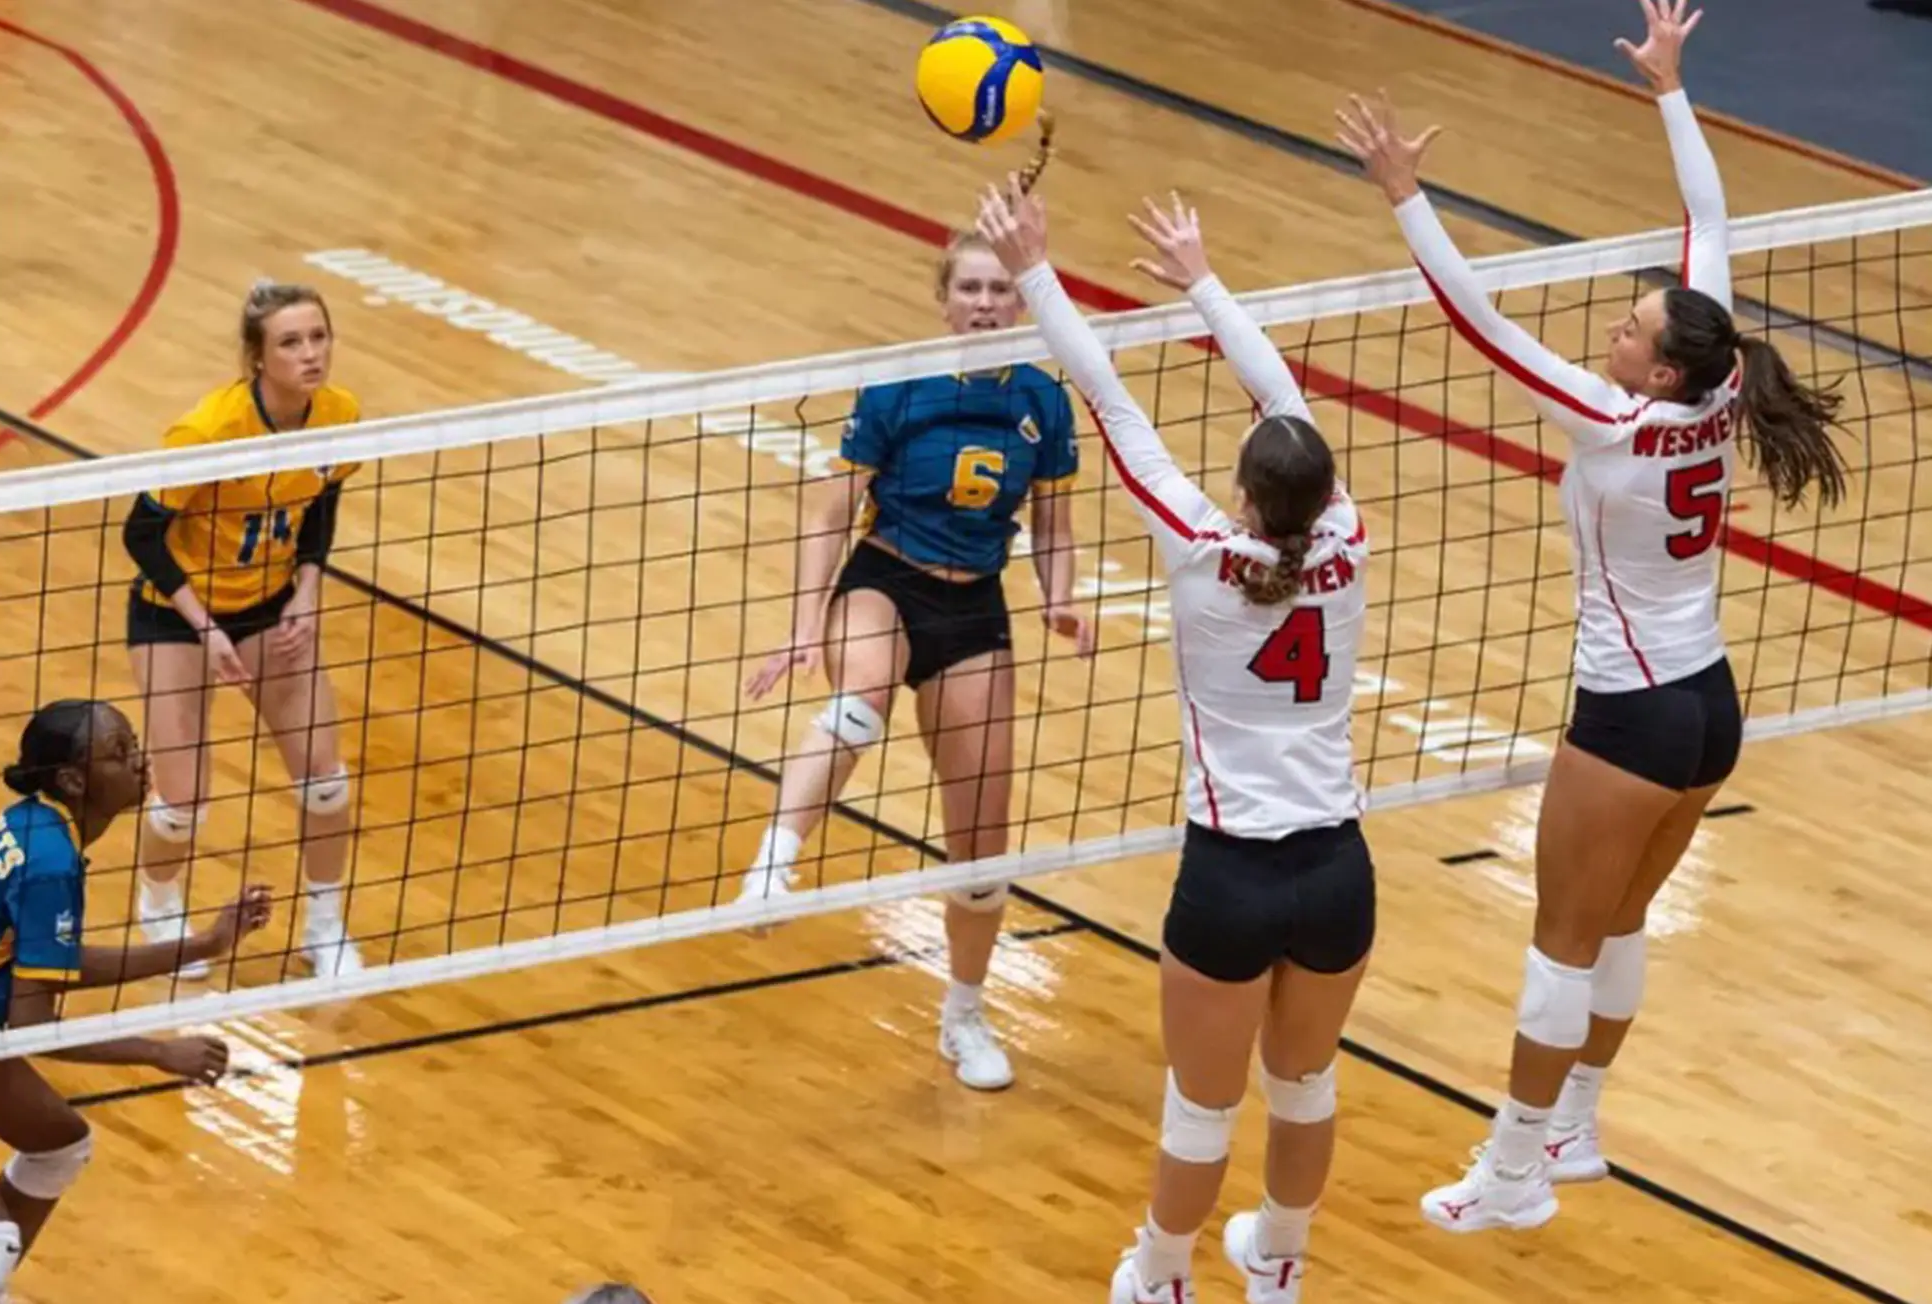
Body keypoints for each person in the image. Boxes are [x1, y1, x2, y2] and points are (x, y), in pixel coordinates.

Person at [1337, 0, 1849, 1234]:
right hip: (1707, 707)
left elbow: (1477, 319)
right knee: (1618, 926)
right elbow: (1710, 224)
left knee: (1560, 945)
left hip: (1627, 717)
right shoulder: (1719, 382)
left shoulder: (1610, 414)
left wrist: (1406, 193)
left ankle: (1512, 1170)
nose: (1609, 329)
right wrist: (1670, 87)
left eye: (1627, 328)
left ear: (1660, 368)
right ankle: (1577, 1126)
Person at [980, 179, 1375, 1304]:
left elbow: (1109, 398)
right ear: (1321, 488)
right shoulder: (1347, 538)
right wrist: (1204, 280)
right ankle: (1279, 1262)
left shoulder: (1204, 552)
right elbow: (1284, 398)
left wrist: (1033, 269)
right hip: (1339, 870)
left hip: (1234, 873)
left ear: (1247, 493)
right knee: (1302, 1088)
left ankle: (1160, 1274)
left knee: (1201, 1107)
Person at [739, 159, 1093, 1093]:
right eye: (970, 288)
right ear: (945, 301)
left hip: (975, 603)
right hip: (885, 579)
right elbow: (828, 513)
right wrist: (805, 624)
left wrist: (1062, 594)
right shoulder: (897, 388)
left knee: (982, 841)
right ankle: (775, 865)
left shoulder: (1043, 402)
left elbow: (1055, 530)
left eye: (1000, 290)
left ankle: (965, 1016)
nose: (984, 303)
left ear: (1021, 303)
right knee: (857, 702)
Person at [0, 699, 276, 1302]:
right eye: (121, 753)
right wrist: (156, 1052)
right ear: (72, 780)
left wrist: (203, 944)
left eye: (134, 744)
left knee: (59, 1147)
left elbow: (59, 964)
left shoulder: (39, 829)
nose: (142, 762)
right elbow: (34, 1022)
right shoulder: (47, 859)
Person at [121, 280, 368, 980]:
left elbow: (321, 508)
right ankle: (159, 906)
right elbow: (142, 535)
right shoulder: (208, 431)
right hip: (175, 615)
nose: (311, 354)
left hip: (271, 607)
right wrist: (204, 627)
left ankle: (324, 928)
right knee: (185, 801)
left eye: (318, 337)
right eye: (291, 342)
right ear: (258, 357)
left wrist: (308, 595)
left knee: (326, 781)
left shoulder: (339, 415)